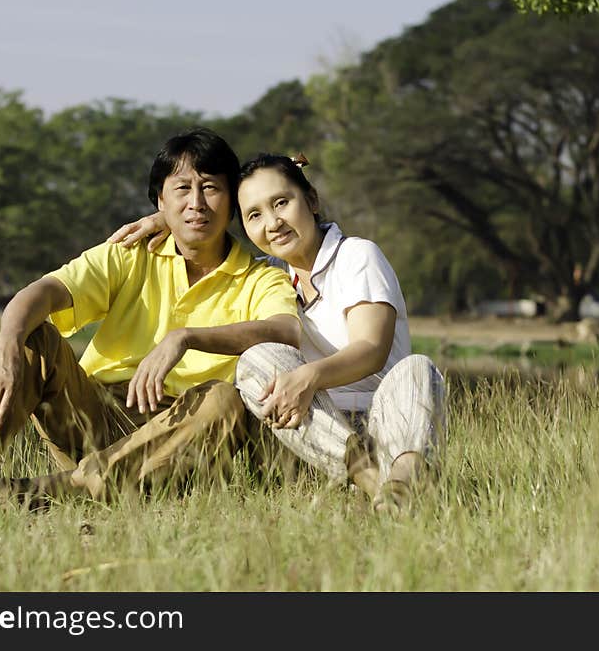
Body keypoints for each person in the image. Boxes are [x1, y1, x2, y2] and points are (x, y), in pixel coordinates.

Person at [0, 128, 299, 519]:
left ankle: (72, 488)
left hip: (179, 437)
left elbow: (287, 329)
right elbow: (44, 291)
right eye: (182, 189)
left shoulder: (260, 278)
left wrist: (185, 338)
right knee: (32, 337)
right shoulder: (129, 254)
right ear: (160, 201)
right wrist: (6, 344)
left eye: (211, 188)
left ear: (232, 200)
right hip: (95, 414)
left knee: (223, 399)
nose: (196, 203)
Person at [110, 154, 446, 513]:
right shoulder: (267, 275)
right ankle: (376, 483)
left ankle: (403, 479)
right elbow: (212, 238)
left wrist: (309, 377)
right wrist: (168, 218)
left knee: (417, 369)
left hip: (384, 422)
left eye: (282, 203)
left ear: (312, 200)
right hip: (314, 437)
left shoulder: (356, 255)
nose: (273, 223)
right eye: (254, 215)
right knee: (256, 360)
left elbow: (372, 348)